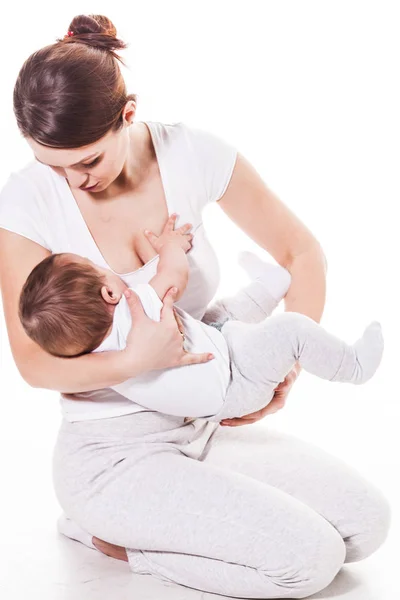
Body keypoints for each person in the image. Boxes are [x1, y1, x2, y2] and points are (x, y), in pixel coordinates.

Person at [0, 13, 390, 599]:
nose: (71, 181)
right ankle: (112, 537)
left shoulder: (191, 154)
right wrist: (136, 361)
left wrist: (287, 367)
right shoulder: (26, 203)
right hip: (114, 457)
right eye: (52, 163)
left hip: (203, 423)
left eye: (87, 161)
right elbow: (34, 364)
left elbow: (301, 251)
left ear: (127, 117)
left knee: (365, 525)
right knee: (307, 564)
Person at [18, 224, 384, 423]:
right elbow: (174, 274)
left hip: (214, 385)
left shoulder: (97, 357)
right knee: (288, 330)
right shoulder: (136, 308)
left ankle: (274, 281)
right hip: (235, 380)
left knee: (220, 317)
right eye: (100, 270)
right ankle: (351, 366)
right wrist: (169, 246)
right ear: (110, 294)